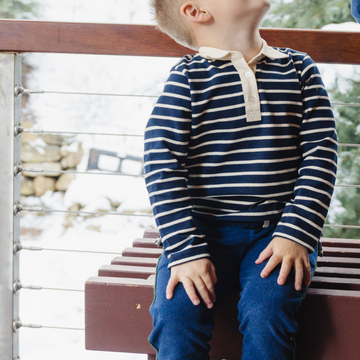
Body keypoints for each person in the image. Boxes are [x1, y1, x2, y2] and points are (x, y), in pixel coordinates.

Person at [143, 0, 338, 359]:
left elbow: (321, 156)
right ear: (195, 11)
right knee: (177, 317)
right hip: (201, 232)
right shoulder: (187, 78)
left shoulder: (299, 70)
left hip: (277, 233)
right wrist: (185, 252)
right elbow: (161, 165)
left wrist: (295, 234)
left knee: (268, 312)